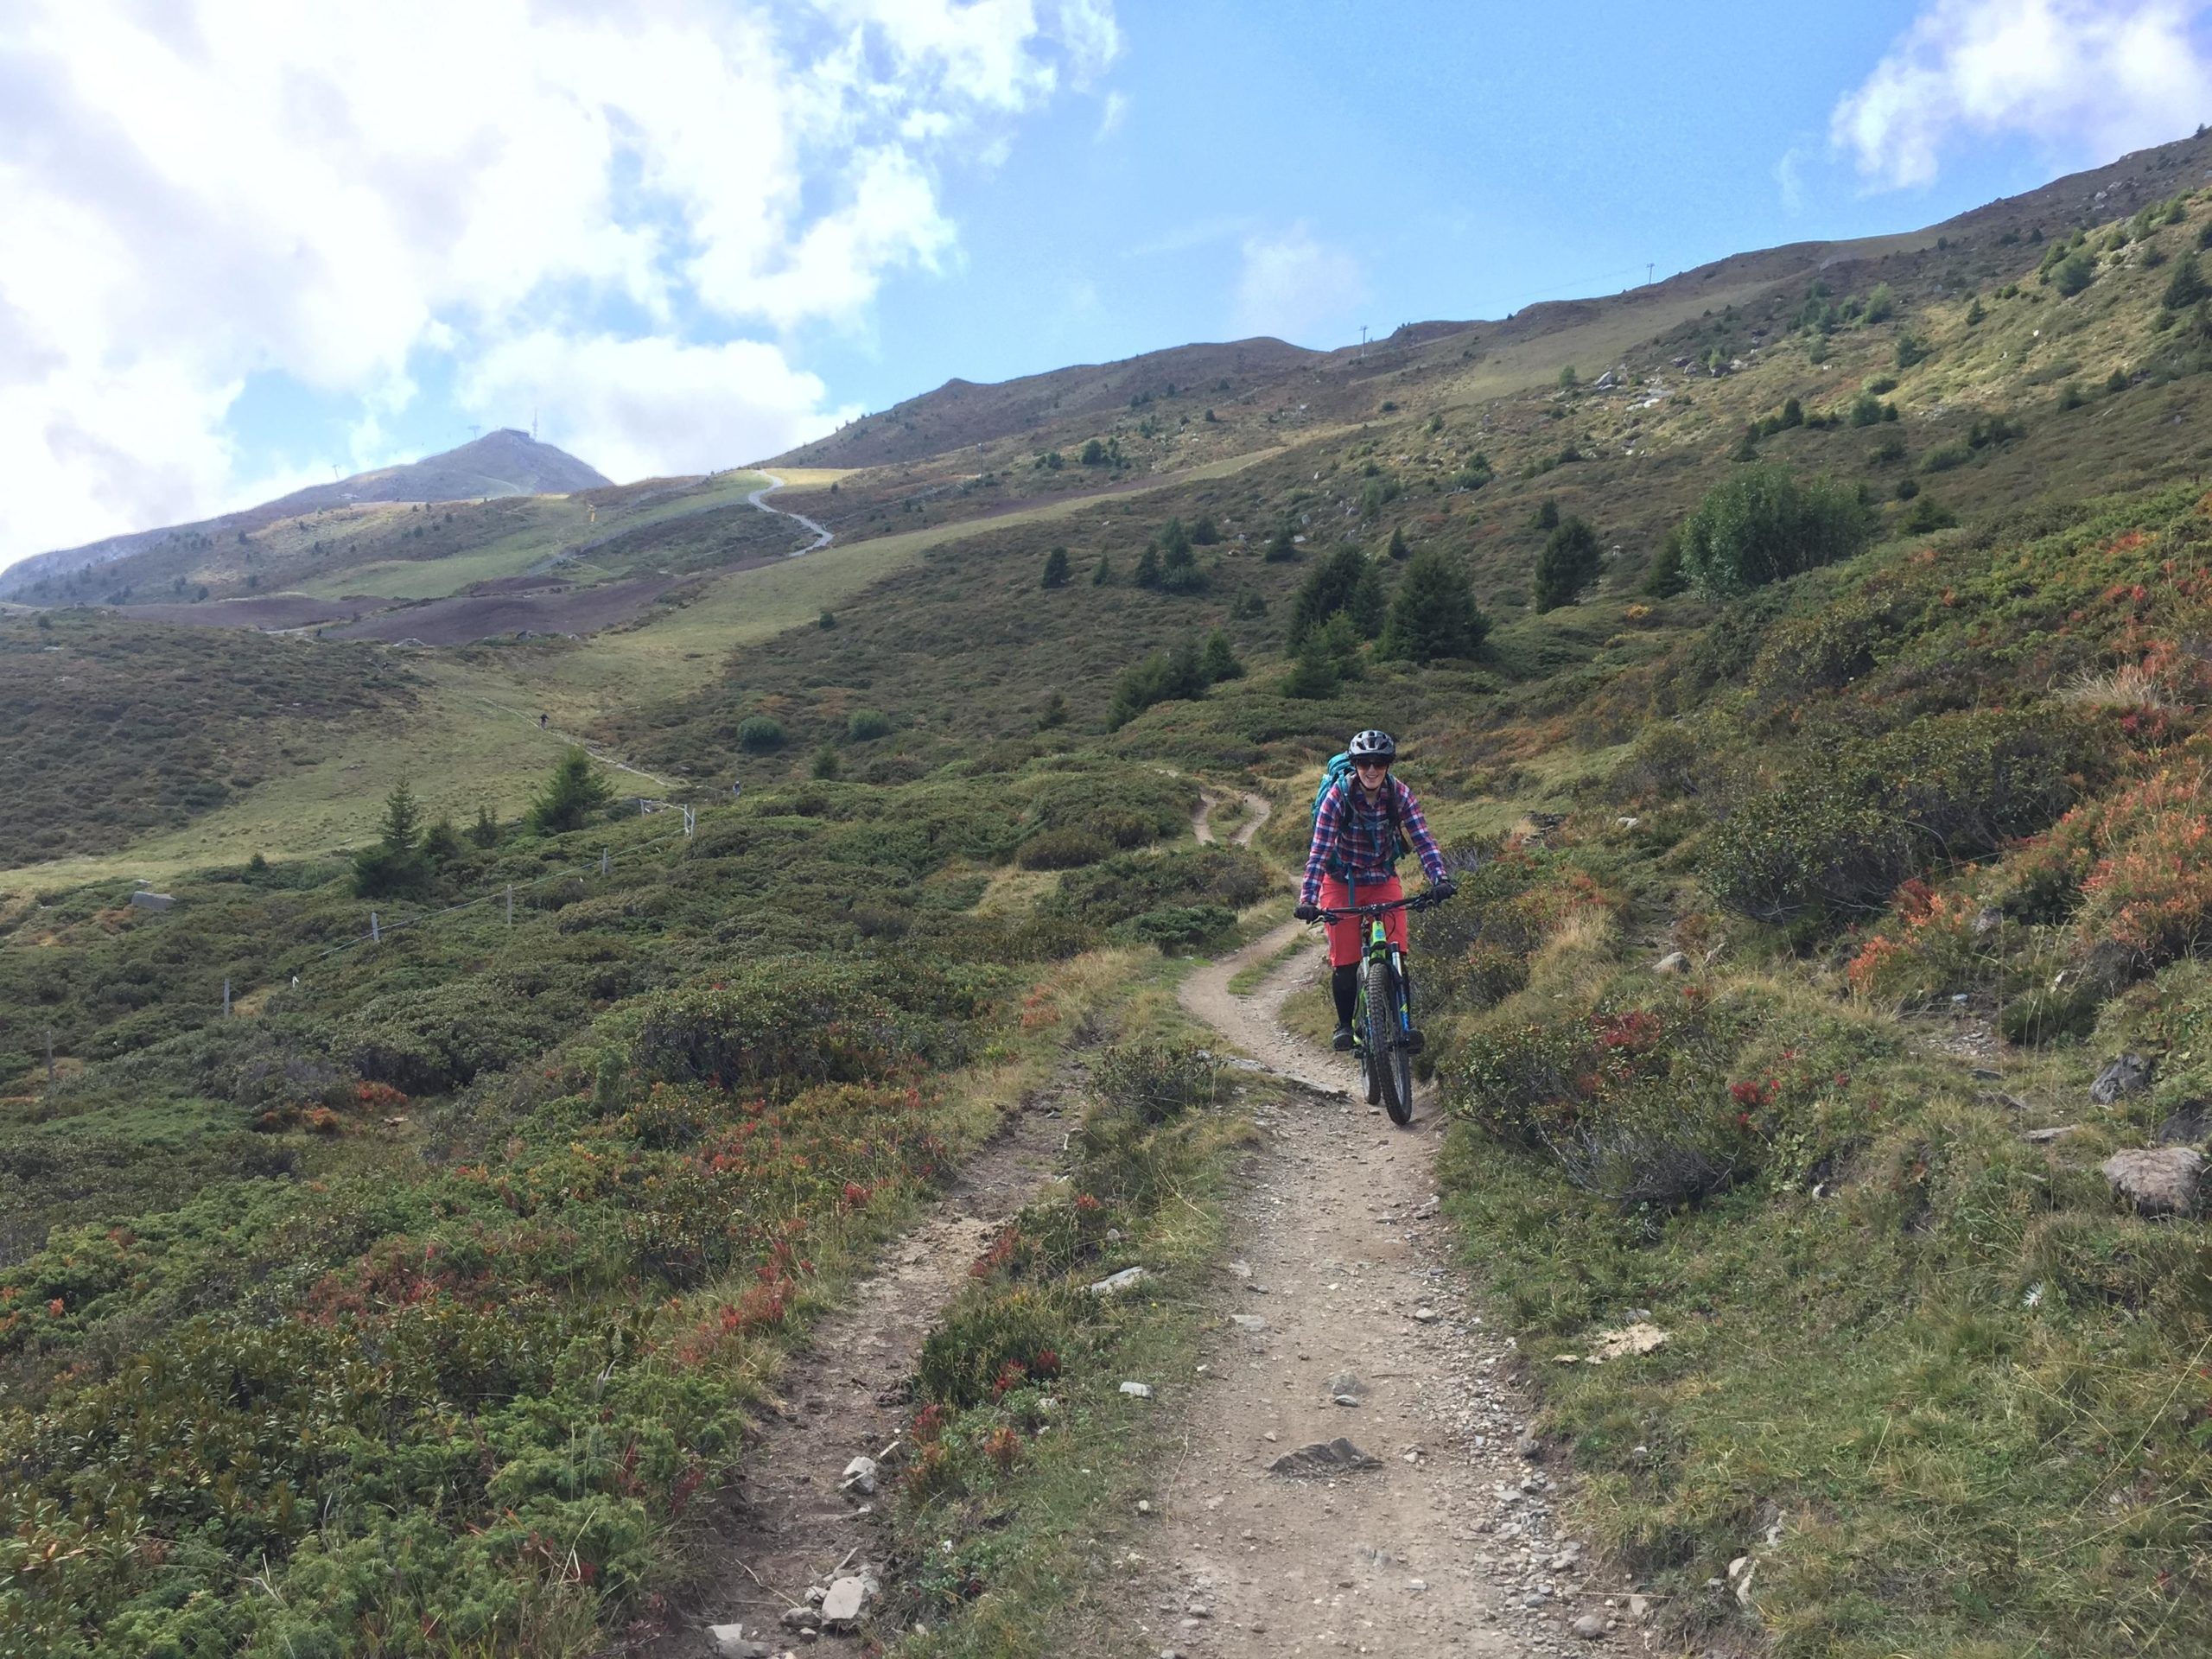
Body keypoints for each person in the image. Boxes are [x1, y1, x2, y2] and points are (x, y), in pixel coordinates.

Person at [1292, 729, 1455, 1052]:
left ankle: (1405, 1026)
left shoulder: (1399, 794)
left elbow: (1423, 839)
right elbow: (1319, 853)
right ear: (1355, 765)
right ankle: (1344, 1025)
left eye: (1379, 763)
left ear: (1388, 765)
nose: (1371, 769)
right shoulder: (1336, 798)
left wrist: (1439, 878)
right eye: (1364, 762)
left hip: (1382, 878)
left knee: (1397, 952)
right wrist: (1308, 900)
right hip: (1341, 882)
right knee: (1346, 960)